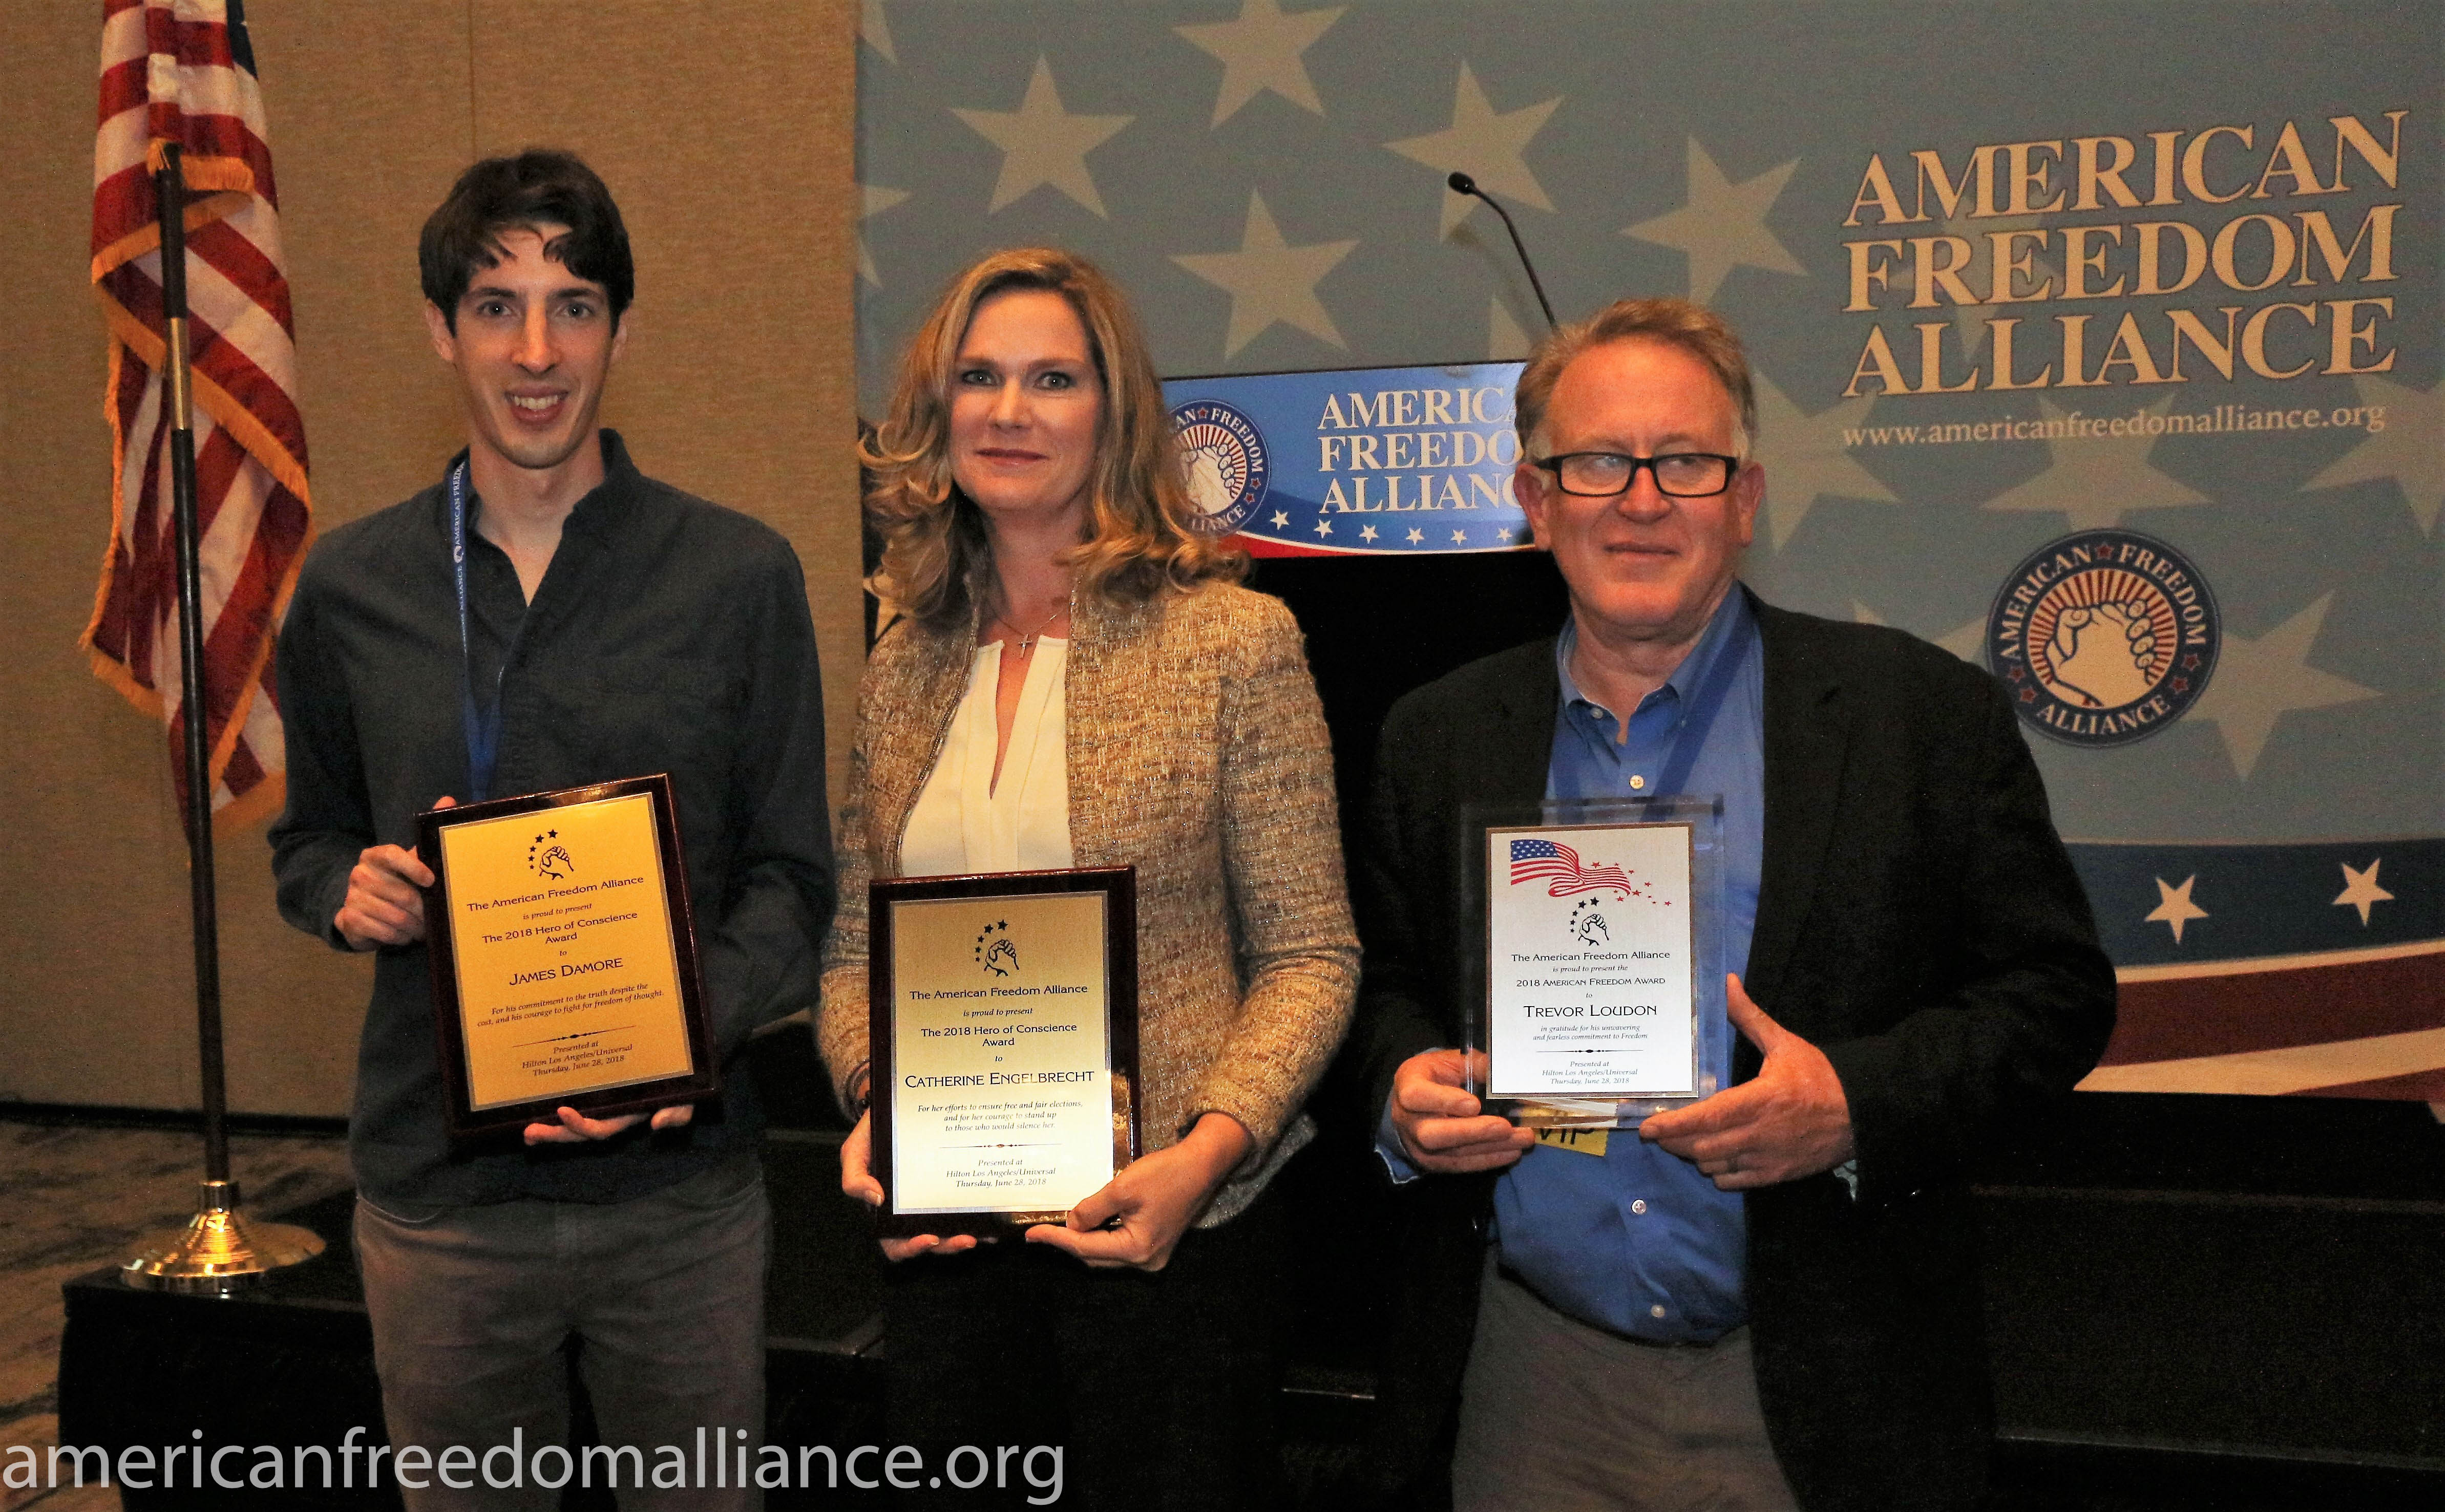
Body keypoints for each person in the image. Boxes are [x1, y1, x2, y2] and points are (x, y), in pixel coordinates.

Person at [1341, 298, 2115, 1511]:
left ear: (1743, 499)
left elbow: (2056, 997)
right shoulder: (1434, 736)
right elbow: (1382, 982)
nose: (1640, 500)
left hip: (1823, 1382)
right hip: (1530, 1385)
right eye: (1595, 462)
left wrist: (1856, 1104)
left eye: (1684, 463)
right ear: (1534, 502)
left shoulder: (1915, 716)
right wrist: (1401, 1088)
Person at [269, 150, 832, 1509]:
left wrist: (683, 1020)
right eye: (493, 306)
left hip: (679, 1208)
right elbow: (305, 843)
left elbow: (797, 876)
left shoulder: (738, 575)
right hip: (438, 1206)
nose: (535, 351)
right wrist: (349, 889)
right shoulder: (351, 585)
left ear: (622, 333)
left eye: (573, 306)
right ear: (437, 331)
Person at [817, 247, 1358, 1508]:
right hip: (947, 1255)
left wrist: (1205, 1153)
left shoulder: (1234, 641)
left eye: (1052, 378)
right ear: (935, 412)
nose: (1009, 411)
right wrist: (869, 1105)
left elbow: (1309, 957)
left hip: (1171, 1248)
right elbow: (855, 951)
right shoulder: (902, 663)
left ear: (1112, 413)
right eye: (979, 377)